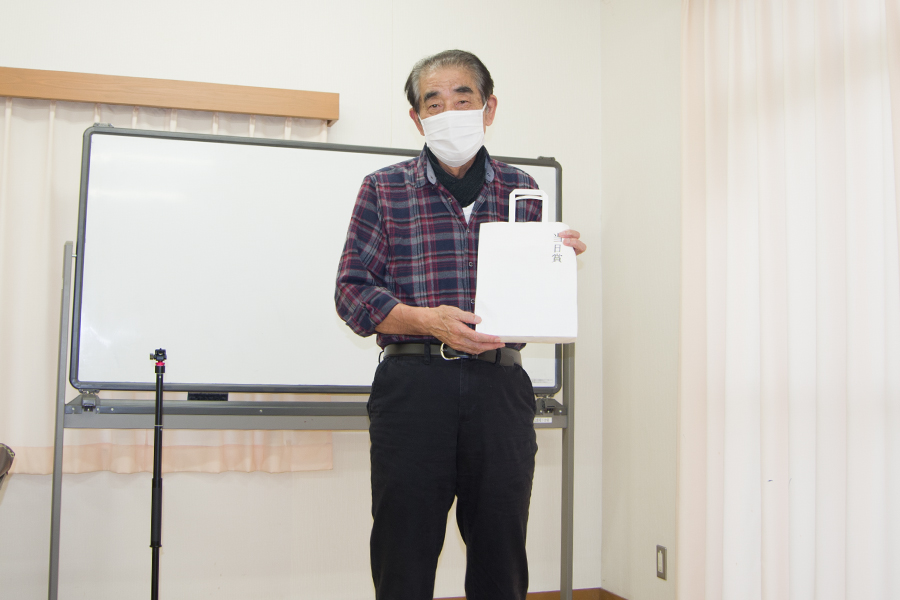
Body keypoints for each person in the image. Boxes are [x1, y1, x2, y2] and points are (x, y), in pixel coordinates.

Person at [335, 49, 586, 600]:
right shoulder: (383, 188)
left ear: (489, 108)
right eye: (434, 102)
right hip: (412, 389)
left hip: (501, 388)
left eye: (463, 98)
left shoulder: (521, 189)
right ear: (416, 118)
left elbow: (530, 295)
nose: (449, 112)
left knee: (501, 553)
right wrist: (427, 322)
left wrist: (558, 262)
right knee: (403, 553)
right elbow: (352, 292)